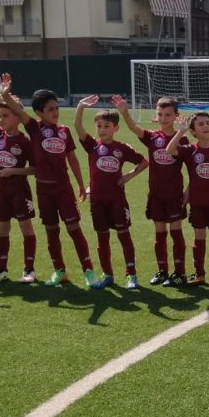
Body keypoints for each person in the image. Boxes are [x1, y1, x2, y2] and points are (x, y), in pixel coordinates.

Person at [0, 82, 97, 288]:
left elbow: (72, 159)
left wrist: (81, 184)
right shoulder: (34, 128)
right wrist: (5, 94)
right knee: (52, 231)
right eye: (50, 109)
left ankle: (88, 270)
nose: (55, 112)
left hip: (63, 188)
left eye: (57, 108)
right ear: (38, 113)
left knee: (74, 229)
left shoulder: (64, 131)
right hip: (43, 190)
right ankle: (60, 271)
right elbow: (18, 110)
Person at [112, 93, 187, 286]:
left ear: (176, 116)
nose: (163, 118)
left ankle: (180, 273)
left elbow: (193, 169)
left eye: (168, 115)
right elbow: (134, 128)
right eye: (160, 114)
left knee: (176, 232)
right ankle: (162, 271)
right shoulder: (153, 137)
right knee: (159, 233)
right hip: (156, 195)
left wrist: (187, 194)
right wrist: (125, 113)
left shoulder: (182, 139)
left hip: (174, 195)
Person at [74, 97, 147, 289]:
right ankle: (108, 275)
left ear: (116, 128)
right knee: (102, 238)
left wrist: (128, 176)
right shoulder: (92, 146)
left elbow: (144, 162)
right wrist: (80, 107)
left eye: (107, 126)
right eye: (99, 126)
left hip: (117, 201)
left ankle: (132, 275)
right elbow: (78, 128)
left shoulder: (122, 148)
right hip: (97, 201)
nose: (102, 129)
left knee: (124, 236)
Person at [0, 85, 38, 284]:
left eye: (5, 116)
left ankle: (29, 270)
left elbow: (35, 169)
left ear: (18, 118)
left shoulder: (25, 141)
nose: (1, 119)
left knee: (26, 229)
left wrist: (14, 171)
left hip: (20, 192)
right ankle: (1, 270)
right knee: (2, 230)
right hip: (1, 192)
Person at [167, 111, 209, 286]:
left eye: (208, 123)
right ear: (193, 131)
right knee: (199, 237)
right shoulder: (190, 150)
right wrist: (181, 131)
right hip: (197, 204)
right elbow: (169, 150)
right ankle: (199, 274)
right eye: (201, 124)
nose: (206, 126)